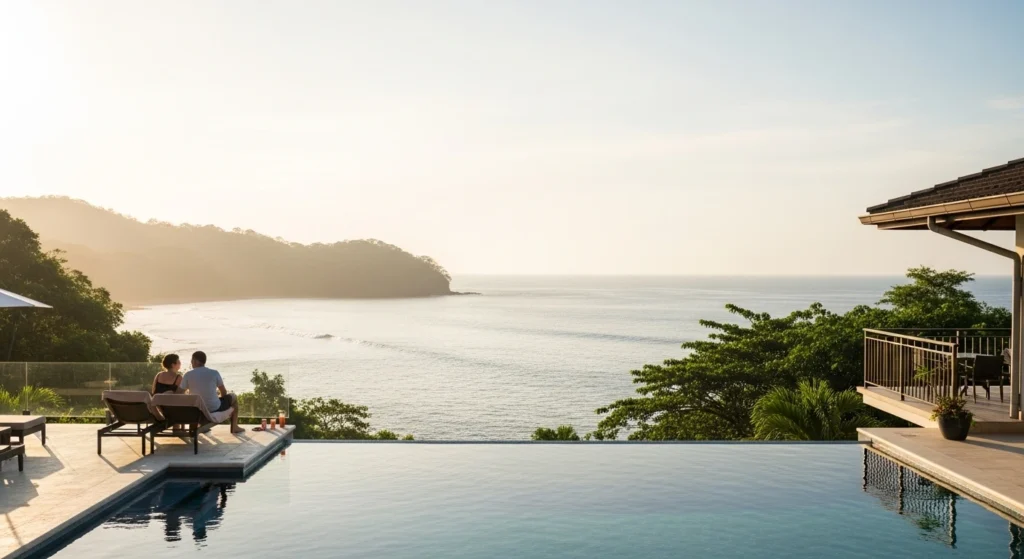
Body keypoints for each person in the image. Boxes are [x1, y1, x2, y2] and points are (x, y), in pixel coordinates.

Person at [178, 350, 244, 434]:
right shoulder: (214, 373)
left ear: (194, 361)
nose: (191, 362)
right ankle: (234, 427)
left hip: (197, 410)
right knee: (233, 397)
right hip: (214, 408)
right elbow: (223, 391)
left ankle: (199, 425)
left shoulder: (188, 375)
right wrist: (221, 405)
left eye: (191, 360)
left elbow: (179, 393)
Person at [152, 354, 185, 431]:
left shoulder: (159, 375)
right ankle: (177, 430)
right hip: (172, 410)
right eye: (178, 361)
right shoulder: (178, 378)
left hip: (159, 409)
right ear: (173, 365)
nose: (180, 363)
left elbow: (153, 392)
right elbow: (180, 396)